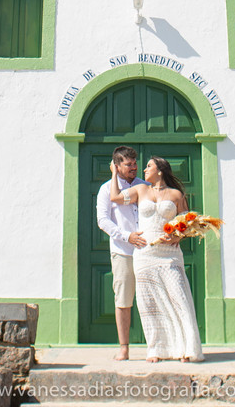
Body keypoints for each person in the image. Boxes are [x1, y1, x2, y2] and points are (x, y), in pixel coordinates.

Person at [108, 156, 204, 363]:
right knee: (149, 303)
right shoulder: (141, 190)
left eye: (148, 166)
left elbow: (188, 222)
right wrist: (114, 173)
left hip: (169, 255)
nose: (143, 169)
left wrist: (177, 236)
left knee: (179, 298)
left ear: (160, 170)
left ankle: (185, 348)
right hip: (144, 254)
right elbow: (115, 198)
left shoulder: (176, 194)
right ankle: (156, 349)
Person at [96, 145, 147, 361]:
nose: (134, 167)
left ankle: (156, 346)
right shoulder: (106, 189)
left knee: (152, 298)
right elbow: (103, 221)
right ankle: (124, 347)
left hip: (147, 251)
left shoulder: (145, 186)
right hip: (123, 251)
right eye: (128, 164)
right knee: (124, 300)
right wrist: (127, 236)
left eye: (135, 163)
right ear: (116, 166)